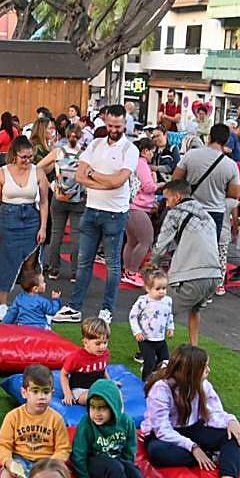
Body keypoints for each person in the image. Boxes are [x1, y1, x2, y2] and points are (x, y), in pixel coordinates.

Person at [142, 344, 240, 478]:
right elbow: (162, 429)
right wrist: (193, 448)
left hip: (192, 428)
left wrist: (231, 420)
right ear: (190, 372)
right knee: (157, 453)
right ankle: (214, 455)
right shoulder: (161, 389)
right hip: (164, 435)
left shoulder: (203, 385)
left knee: (232, 436)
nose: (209, 370)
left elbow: (214, 412)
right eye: (204, 367)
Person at [52, 105, 139, 326]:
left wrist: (93, 175)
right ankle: (75, 306)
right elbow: (80, 176)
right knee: (83, 261)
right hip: (92, 209)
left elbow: (118, 181)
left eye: (118, 126)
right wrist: (104, 181)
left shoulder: (130, 149)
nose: (113, 129)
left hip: (114, 213)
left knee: (112, 265)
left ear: (125, 125)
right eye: (110, 125)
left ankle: (107, 309)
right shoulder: (95, 144)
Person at [72, 379, 178, 478]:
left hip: (117, 462)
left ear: (113, 407)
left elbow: (130, 448)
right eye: (93, 408)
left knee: (130, 467)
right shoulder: (87, 424)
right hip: (94, 462)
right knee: (116, 467)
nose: (97, 413)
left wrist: (128, 467)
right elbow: (79, 453)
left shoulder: (126, 422)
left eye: (102, 408)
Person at [148, 179, 220, 346]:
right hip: (214, 275)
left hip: (191, 276)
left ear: (177, 197)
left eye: (167, 199)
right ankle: (194, 347)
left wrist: (152, 264)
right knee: (195, 310)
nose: (166, 204)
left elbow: (161, 246)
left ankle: (150, 352)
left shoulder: (175, 213)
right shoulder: (207, 216)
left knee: (160, 309)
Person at [0, 135, 49, 321]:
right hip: (7, 219)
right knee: (5, 262)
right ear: (14, 155)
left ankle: (32, 302)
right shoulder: (1, 173)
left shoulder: (37, 172)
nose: (28, 161)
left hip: (31, 218)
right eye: (24, 157)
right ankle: (3, 303)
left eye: (31, 157)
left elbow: (45, 202)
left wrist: (43, 227)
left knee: (31, 263)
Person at [0, 363, 72, 478]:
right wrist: (9, 463)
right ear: (24, 393)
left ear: (52, 392)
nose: (41, 397)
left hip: (46, 463)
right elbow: (3, 446)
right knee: (6, 477)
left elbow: (63, 448)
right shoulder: (13, 417)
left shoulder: (56, 419)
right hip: (21, 460)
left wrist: (53, 464)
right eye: (35, 391)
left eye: (45, 392)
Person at [38, 125, 86, 282]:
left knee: (56, 234)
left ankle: (54, 270)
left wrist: (52, 184)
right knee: (76, 235)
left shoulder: (58, 152)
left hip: (58, 197)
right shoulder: (84, 155)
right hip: (78, 198)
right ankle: (74, 272)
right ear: (80, 137)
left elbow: (39, 167)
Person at [122, 136, 158, 287]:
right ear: (145, 151)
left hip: (130, 205)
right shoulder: (142, 165)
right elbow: (148, 186)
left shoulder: (132, 163)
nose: (152, 155)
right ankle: (132, 270)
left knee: (132, 241)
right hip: (139, 207)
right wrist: (159, 184)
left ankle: (127, 270)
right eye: (151, 152)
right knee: (146, 240)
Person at [129, 268, 174, 375]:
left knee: (165, 361)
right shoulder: (143, 301)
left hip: (160, 338)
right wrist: (137, 331)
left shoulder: (167, 301)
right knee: (149, 361)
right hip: (146, 339)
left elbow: (169, 314)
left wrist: (170, 327)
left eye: (164, 288)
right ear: (148, 288)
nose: (162, 291)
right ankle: (146, 381)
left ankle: (155, 374)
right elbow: (133, 316)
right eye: (158, 289)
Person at [61, 317, 110, 407]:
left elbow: (103, 368)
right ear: (86, 342)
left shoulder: (105, 353)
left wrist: (109, 382)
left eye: (105, 342)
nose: (102, 347)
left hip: (97, 386)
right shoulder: (76, 357)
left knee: (115, 393)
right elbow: (64, 374)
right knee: (92, 398)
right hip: (80, 389)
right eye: (98, 343)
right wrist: (67, 393)